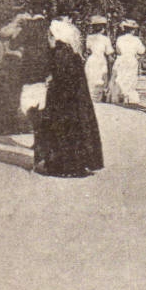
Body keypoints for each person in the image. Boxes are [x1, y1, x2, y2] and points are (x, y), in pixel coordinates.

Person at [31, 16, 104, 178]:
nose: (48, 38)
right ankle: (76, 164)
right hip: (74, 100)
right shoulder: (72, 53)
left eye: (51, 35)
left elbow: (58, 78)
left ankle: (62, 165)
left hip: (62, 100)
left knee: (62, 128)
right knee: (75, 128)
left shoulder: (59, 52)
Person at [0, 11, 47, 135]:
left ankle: (2, 125)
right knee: (11, 95)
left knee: (7, 95)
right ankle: (8, 125)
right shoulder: (18, 30)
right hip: (14, 63)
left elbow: (3, 35)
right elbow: (13, 41)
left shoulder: (11, 29)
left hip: (9, 62)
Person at [105, 19, 145, 106]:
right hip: (131, 60)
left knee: (120, 77)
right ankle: (128, 96)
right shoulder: (136, 40)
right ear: (133, 30)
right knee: (130, 78)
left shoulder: (120, 39)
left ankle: (118, 96)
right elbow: (141, 51)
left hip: (121, 59)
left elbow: (118, 51)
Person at [82, 16, 113, 102]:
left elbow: (87, 50)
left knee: (91, 77)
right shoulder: (106, 39)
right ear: (103, 28)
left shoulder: (89, 37)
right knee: (101, 78)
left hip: (92, 59)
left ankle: (91, 97)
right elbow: (109, 53)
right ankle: (98, 97)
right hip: (101, 60)